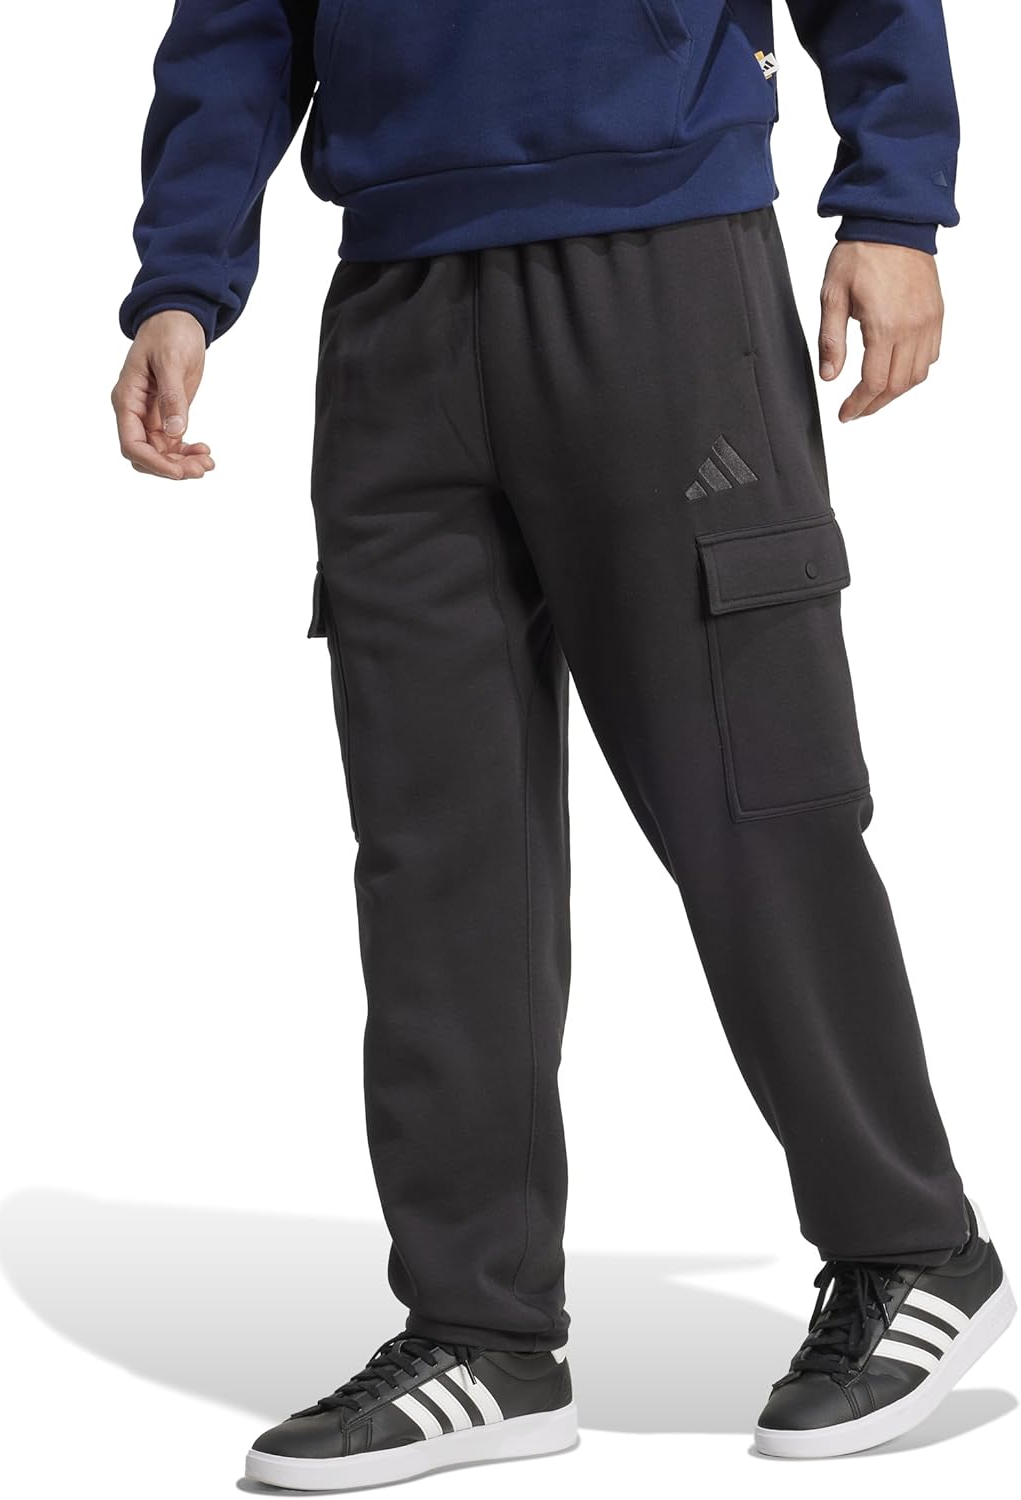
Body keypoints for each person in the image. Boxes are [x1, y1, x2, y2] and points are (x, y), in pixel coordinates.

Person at [112, 1, 1013, 1485]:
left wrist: (894, 198)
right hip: (396, 303)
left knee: (754, 800)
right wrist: (182, 278)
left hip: (663, 261)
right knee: (435, 851)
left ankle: (911, 1245)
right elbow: (242, 22)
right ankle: (481, 1330)